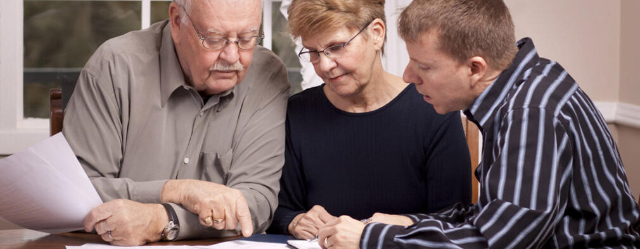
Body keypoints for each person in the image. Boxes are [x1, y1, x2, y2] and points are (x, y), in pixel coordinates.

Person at [316, 0, 640, 248]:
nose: (408, 76)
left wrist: (372, 239)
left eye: (423, 66)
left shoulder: (531, 112)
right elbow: (492, 216)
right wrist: (408, 223)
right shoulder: (527, 82)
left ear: (474, 68)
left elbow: (500, 242)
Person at [62, 0, 290, 246]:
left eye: (247, 39)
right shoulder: (115, 67)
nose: (233, 56)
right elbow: (74, 193)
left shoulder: (266, 75)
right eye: (213, 39)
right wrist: (176, 191)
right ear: (177, 22)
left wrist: (162, 219)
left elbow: (256, 203)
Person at [266, 0, 472, 240]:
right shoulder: (297, 112)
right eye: (312, 51)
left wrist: (374, 235)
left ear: (376, 34)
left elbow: (453, 221)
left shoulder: (434, 110)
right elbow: (278, 210)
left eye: (337, 46)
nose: (324, 65)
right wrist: (294, 221)